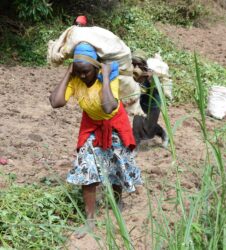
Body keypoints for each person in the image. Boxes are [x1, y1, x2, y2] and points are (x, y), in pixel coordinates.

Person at [49, 43, 142, 239]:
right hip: (91, 127)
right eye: (79, 72)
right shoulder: (76, 81)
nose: (83, 76)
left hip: (115, 125)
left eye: (86, 72)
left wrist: (106, 77)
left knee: (117, 164)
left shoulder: (108, 78)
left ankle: (117, 200)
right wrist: (68, 73)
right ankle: (90, 219)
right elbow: (56, 102)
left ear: (95, 68)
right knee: (86, 167)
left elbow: (109, 107)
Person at [131, 52, 168, 148]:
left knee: (150, 127)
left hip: (153, 104)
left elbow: (158, 91)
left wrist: (151, 80)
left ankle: (163, 134)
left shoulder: (152, 76)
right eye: (134, 65)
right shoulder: (135, 74)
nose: (136, 68)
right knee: (137, 125)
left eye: (138, 65)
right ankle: (135, 146)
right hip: (141, 103)